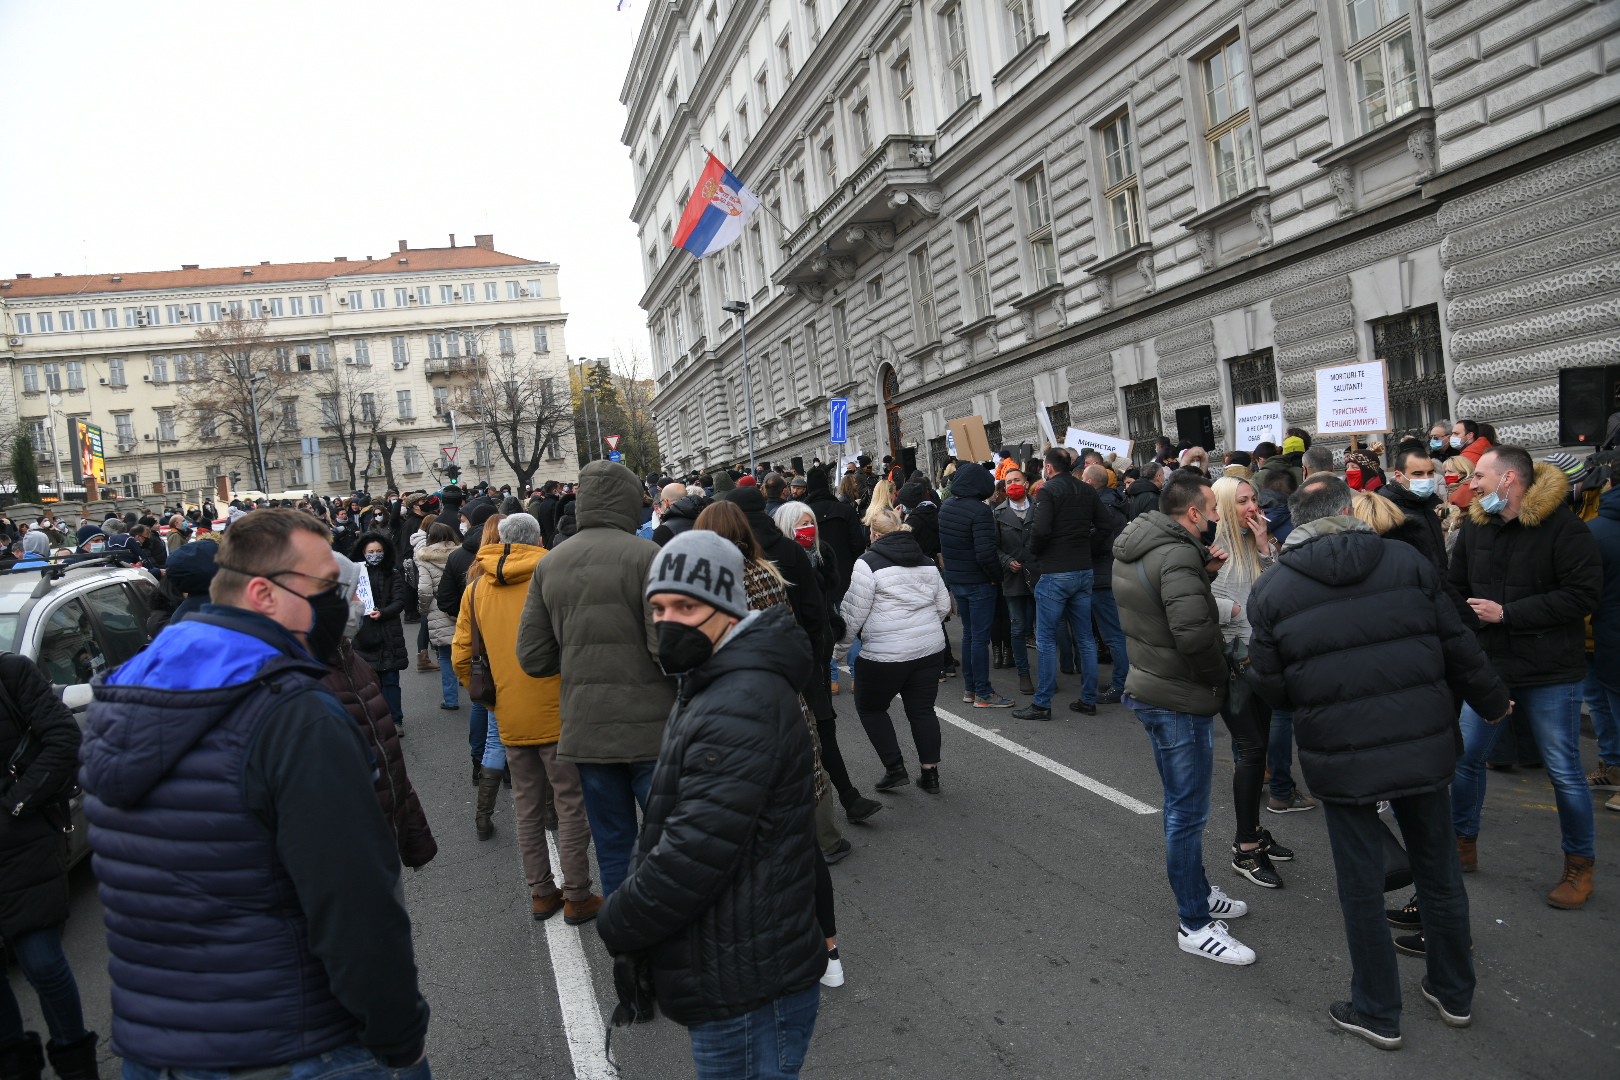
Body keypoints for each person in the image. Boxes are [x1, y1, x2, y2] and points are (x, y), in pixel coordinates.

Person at [78, 508, 431, 1077]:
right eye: (325, 585)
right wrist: (400, 1035)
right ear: (264, 594)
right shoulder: (295, 712)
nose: (340, 599)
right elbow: (354, 905)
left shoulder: (127, 689)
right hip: (296, 1042)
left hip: (159, 1043)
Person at [1247, 475, 1510, 1050]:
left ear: (1298, 521)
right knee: (1438, 868)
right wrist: (1492, 700)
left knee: (1360, 884)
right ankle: (1454, 991)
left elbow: (1271, 686)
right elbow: (1456, 642)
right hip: (1421, 737)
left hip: (1339, 749)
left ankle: (1376, 1009)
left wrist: (1315, 693)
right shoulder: (1406, 562)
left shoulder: (1272, 590)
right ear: (1349, 509)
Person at [598, 530, 824, 1079]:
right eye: (659, 608)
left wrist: (618, 923)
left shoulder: (739, 700)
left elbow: (693, 853)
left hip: (746, 980)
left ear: (727, 607)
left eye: (687, 606)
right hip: (737, 960)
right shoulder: (713, 680)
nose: (669, 621)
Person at [1112, 472, 1255, 965]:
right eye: (1213, 511)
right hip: (1177, 696)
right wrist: (1219, 677)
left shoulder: (1145, 545)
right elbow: (1193, 634)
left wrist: (1203, 574)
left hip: (1156, 685)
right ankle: (1194, 923)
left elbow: (1160, 607)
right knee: (1186, 814)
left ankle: (1198, 891)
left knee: (1183, 808)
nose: (1217, 519)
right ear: (1193, 513)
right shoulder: (1175, 554)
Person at [1449, 446, 1602, 907]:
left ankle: (1579, 867)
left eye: (1479, 475)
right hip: (1490, 668)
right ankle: (1461, 845)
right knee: (1466, 759)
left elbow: (1583, 595)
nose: (1472, 484)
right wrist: (1474, 634)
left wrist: (1508, 614)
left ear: (1509, 479)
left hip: (1551, 671)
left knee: (1563, 769)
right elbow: (1455, 590)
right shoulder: (1476, 526)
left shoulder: (1565, 528)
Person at [517, 461, 675, 896]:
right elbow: (668, 649)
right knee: (670, 843)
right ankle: (673, 928)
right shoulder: (649, 556)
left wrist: (577, 655)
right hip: (654, 729)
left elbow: (532, 657)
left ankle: (625, 930)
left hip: (587, 730)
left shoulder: (550, 565)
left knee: (612, 844)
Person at [455, 514, 602, 925]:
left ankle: (540, 892)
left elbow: (462, 655)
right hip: (560, 708)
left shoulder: (476, 588)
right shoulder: (555, 575)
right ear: (538, 539)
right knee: (570, 805)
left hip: (510, 712)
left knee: (526, 807)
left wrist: (494, 702)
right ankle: (577, 894)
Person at [0, 653, 100, 1080]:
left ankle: (77, 1065)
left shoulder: (11, 673)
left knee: (41, 961)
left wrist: (14, 805)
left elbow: (63, 740)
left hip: (23, 840)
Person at [318, 556, 437, 871]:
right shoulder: (301, 679)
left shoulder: (352, 661)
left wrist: (415, 839)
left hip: (381, 845)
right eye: (353, 594)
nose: (360, 602)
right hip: (350, 862)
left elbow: (388, 759)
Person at [773, 501, 881, 823]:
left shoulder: (820, 557)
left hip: (819, 654)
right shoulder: (777, 566)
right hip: (797, 661)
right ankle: (846, 800)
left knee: (823, 727)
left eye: (811, 523)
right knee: (818, 729)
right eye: (801, 524)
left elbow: (822, 605)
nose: (808, 529)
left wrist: (832, 627)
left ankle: (843, 802)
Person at [1208, 476, 1289, 889]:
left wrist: (1264, 548)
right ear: (1224, 504)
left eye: (1254, 498)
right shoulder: (1211, 545)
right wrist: (1233, 610)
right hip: (1231, 661)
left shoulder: (1256, 541)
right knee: (1252, 749)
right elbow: (1192, 597)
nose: (1252, 507)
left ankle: (1254, 832)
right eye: (1242, 501)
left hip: (1261, 657)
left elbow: (1279, 592)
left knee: (1260, 747)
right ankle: (1245, 847)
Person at [838, 507, 952, 792]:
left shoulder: (867, 563)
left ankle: (895, 767)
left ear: (875, 535)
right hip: (929, 649)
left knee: (870, 707)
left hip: (886, 653)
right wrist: (922, 627)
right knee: (922, 710)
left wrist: (838, 651)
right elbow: (943, 606)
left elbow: (853, 614)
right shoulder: (927, 561)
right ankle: (931, 775)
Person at [1013, 449, 1114, 721]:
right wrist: (1086, 546)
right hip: (1083, 570)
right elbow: (1105, 525)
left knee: (1046, 639)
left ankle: (1042, 704)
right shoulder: (1086, 489)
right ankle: (1088, 699)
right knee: (1085, 637)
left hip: (1056, 571)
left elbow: (1040, 530)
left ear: (1048, 468)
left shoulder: (1047, 491)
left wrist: (1036, 553)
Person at [937, 462, 1012, 707]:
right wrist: (997, 577)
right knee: (979, 639)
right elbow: (985, 552)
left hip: (957, 579)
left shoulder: (947, 506)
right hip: (979, 582)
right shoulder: (980, 511)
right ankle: (983, 692)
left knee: (969, 635)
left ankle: (971, 689)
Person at [1082, 464, 1131, 704]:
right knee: (1114, 632)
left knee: (1113, 633)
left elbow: (1102, 541)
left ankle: (1122, 684)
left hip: (1103, 575)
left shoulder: (1102, 506)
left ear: (1090, 483)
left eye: (1083, 479)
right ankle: (1121, 680)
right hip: (1111, 572)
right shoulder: (1114, 501)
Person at [353, 533, 410, 735]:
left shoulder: (393, 574)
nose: (375, 555)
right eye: (371, 552)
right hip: (364, 634)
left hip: (389, 634)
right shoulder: (356, 575)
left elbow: (400, 601)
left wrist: (383, 613)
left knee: (390, 679)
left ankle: (395, 720)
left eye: (378, 551)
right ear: (363, 552)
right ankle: (375, 720)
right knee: (369, 682)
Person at [1587, 468, 1620, 810]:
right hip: (1601, 634)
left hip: (1604, 632)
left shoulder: (1595, 530)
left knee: (1607, 704)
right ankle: (1613, 766)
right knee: (1603, 702)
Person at [992, 466, 1038, 696]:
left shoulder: (1041, 508)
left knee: (1045, 629)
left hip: (1039, 575)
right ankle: (1024, 673)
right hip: (1013, 577)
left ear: (1026, 483)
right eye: (1008, 482)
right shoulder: (998, 513)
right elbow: (994, 546)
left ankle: (1048, 675)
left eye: (1016, 480)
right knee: (1018, 628)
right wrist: (1007, 561)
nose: (1013, 485)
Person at [414, 523, 462, 712]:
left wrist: (424, 609)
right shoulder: (460, 554)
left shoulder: (425, 558)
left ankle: (451, 699)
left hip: (438, 608)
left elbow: (424, 590)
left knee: (445, 656)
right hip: (462, 607)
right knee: (468, 651)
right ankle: (475, 690)